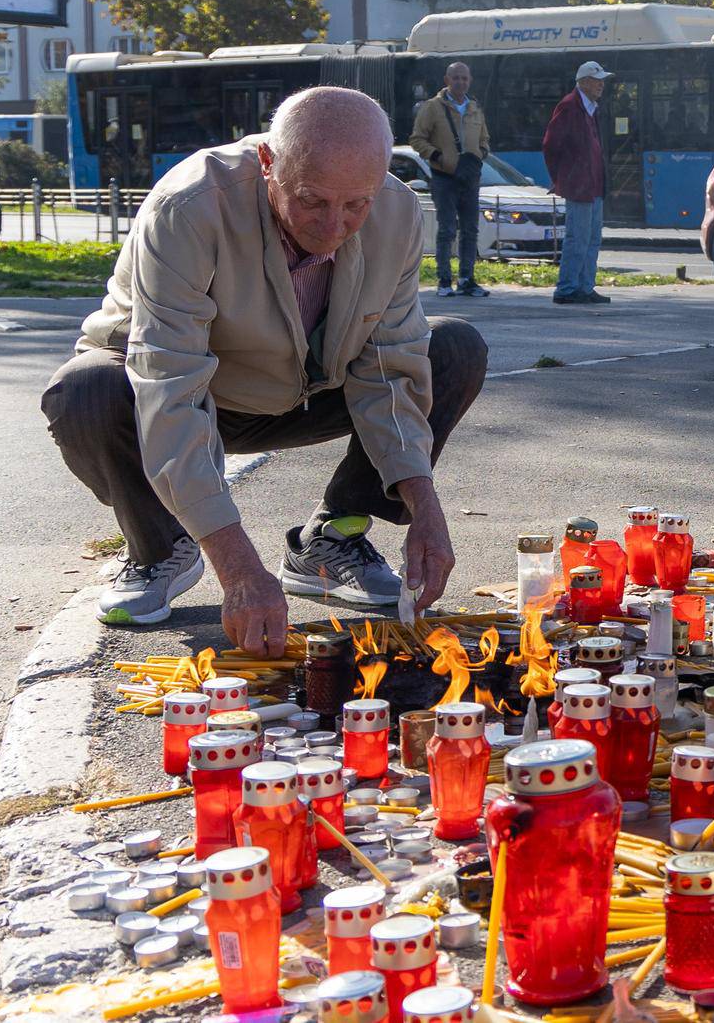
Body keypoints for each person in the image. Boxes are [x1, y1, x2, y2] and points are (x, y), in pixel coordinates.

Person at [41, 86, 489, 655]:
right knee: (84, 388)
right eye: (312, 201)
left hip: (306, 393)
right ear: (269, 164)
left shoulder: (397, 211)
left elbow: (389, 367)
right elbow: (168, 385)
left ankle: (332, 539)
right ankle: (159, 549)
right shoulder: (189, 208)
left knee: (452, 347)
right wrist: (239, 570)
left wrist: (424, 506)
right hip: (186, 394)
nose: (334, 228)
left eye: (357, 205)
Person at [410, 61, 491, 298]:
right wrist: (437, 156)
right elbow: (417, 139)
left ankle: (467, 279)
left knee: (470, 229)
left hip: (470, 177)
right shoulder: (433, 107)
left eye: (465, 78)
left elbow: (485, 138)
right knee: (446, 229)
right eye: (456, 78)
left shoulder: (475, 108)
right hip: (444, 177)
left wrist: (481, 154)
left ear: (470, 80)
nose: (460, 82)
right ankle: (444, 280)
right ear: (447, 80)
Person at [543, 60, 614, 306]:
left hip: (594, 186)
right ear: (583, 82)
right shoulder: (569, 106)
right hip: (580, 186)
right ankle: (566, 288)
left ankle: (585, 287)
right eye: (597, 80)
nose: (601, 85)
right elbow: (551, 146)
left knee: (592, 239)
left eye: (602, 80)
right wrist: (562, 178)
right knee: (577, 239)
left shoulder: (590, 108)